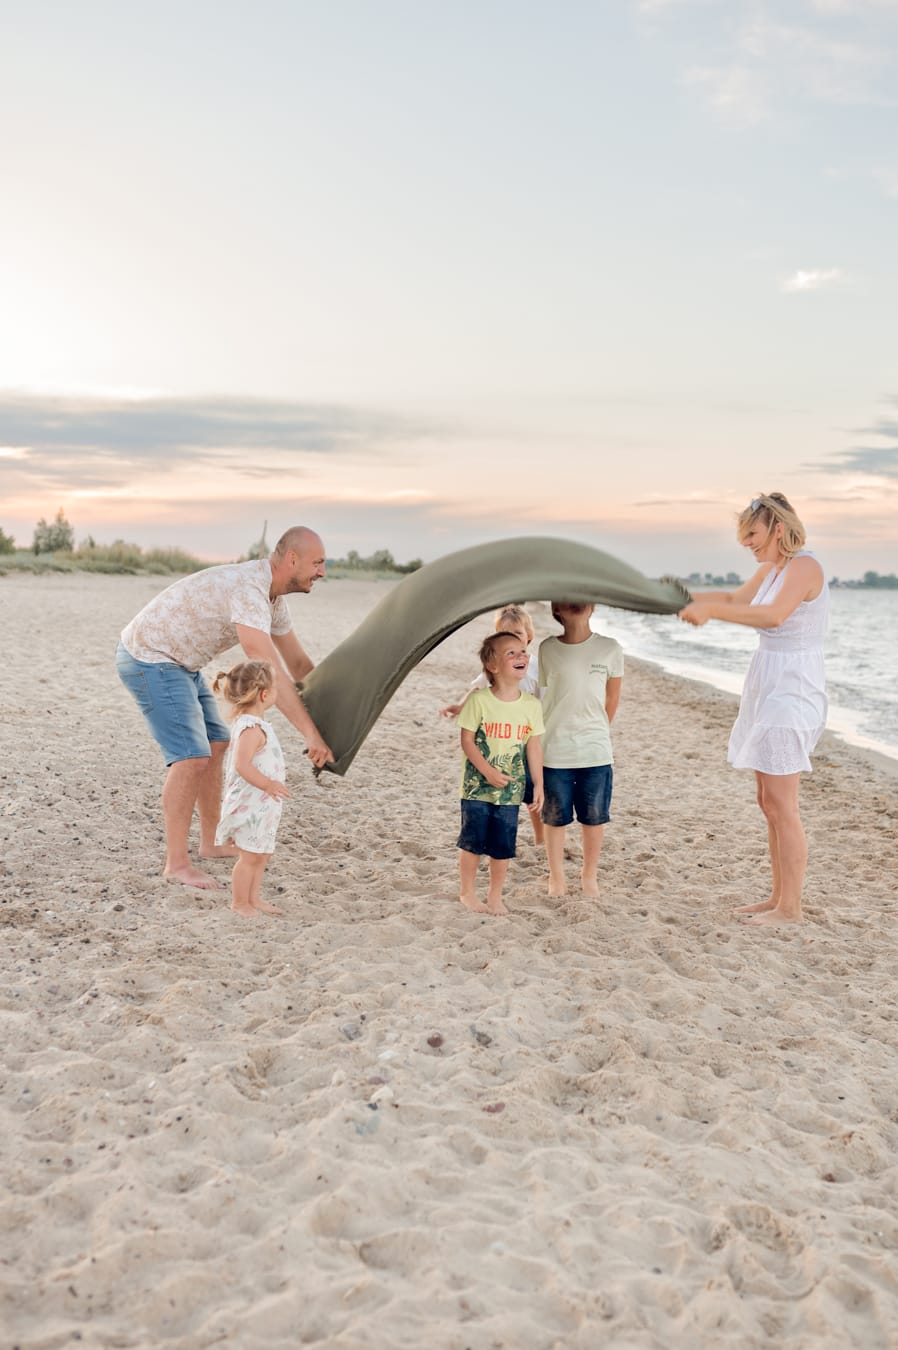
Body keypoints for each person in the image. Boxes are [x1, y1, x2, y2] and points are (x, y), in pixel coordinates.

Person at [115, 526, 333, 890]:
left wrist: (332, 718)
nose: (323, 572)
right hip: (150, 657)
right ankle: (176, 864)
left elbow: (299, 667)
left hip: (183, 663)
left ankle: (211, 842)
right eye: (318, 563)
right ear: (292, 559)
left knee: (217, 744)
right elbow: (269, 671)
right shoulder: (249, 588)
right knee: (191, 757)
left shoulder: (273, 599)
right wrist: (310, 734)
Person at [678, 492, 828, 927]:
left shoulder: (805, 565)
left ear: (778, 528)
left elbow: (774, 616)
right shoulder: (773, 567)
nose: (747, 543)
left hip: (794, 687)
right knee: (768, 801)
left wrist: (709, 613)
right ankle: (778, 897)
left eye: (753, 534)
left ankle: (790, 909)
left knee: (784, 803)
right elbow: (735, 599)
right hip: (768, 683)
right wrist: (678, 596)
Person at [538, 602, 624, 898]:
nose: (575, 603)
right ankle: (556, 876)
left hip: (596, 750)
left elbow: (612, 698)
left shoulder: (610, 648)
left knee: (594, 816)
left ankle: (589, 875)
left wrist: (596, 730)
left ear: (593, 607)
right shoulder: (547, 649)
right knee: (554, 816)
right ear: (557, 610)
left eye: (582, 598)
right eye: (567, 599)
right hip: (555, 748)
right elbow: (542, 695)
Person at [456, 632, 544, 916]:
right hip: (476, 789)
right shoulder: (479, 701)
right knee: (472, 841)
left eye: (523, 651)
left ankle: (495, 896)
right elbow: (467, 741)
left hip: (510, 790)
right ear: (492, 667)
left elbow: (534, 747)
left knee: (503, 845)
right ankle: (467, 893)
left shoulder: (531, 705)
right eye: (511, 653)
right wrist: (488, 772)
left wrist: (539, 785)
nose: (521, 657)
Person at [441, 604, 544, 844]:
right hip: (499, 739)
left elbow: (545, 697)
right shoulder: (497, 665)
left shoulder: (537, 666)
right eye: (504, 635)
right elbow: (478, 687)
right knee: (498, 789)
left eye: (517, 634)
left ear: (528, 636)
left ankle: (540, 837)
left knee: (532, 793)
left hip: (526, 740)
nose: (511, 641)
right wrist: (460, 706)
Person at [212, 660, 289, 919]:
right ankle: (239, 902)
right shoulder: (251, 728)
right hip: (251, 802)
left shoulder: (255, 724)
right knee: (248, 857)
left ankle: (254, 898)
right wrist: (268, 784)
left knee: (261, 854)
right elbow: (242, 764)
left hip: (264, 803)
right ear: (264, 695)